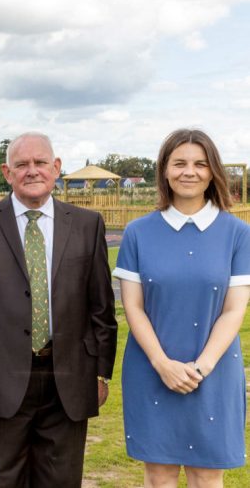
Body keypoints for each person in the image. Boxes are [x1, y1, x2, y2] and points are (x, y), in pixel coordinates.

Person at [0, 132, 117, 487]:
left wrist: (101, 372)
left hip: (68, 377)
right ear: (7, 172)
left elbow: (102, 306)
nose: (32, 171)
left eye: (40, 163)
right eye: (22, 164)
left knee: (61, 481)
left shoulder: (87, 224)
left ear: (56, 168)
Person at [113, 129, 249, 488]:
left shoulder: (238, 234)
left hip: (215, 369)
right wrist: (163, 364)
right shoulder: (138, 233)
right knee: (159, 476)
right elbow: (133, 307)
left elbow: (234, 310)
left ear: (213, 171)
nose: (190, 171)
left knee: (207, 476)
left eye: (200, 164)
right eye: (180, 163)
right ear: (165, 170)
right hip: (152, 368)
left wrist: (199, 368)